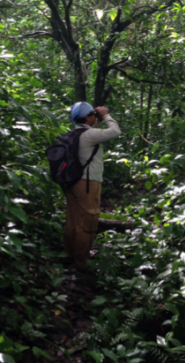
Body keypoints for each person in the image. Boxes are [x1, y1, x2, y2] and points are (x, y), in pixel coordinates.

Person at [64, 101, 121, 272]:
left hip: (72, 182)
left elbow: (93, 127)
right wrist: (105, 115)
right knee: (87, 220)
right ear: (88, 117)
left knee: (73, 220)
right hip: (88, 183)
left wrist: (96, 117)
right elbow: (116, 131)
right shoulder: (89, 135)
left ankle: (70, 254)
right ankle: (83, 261)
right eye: (93, 115)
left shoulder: (75, 133)